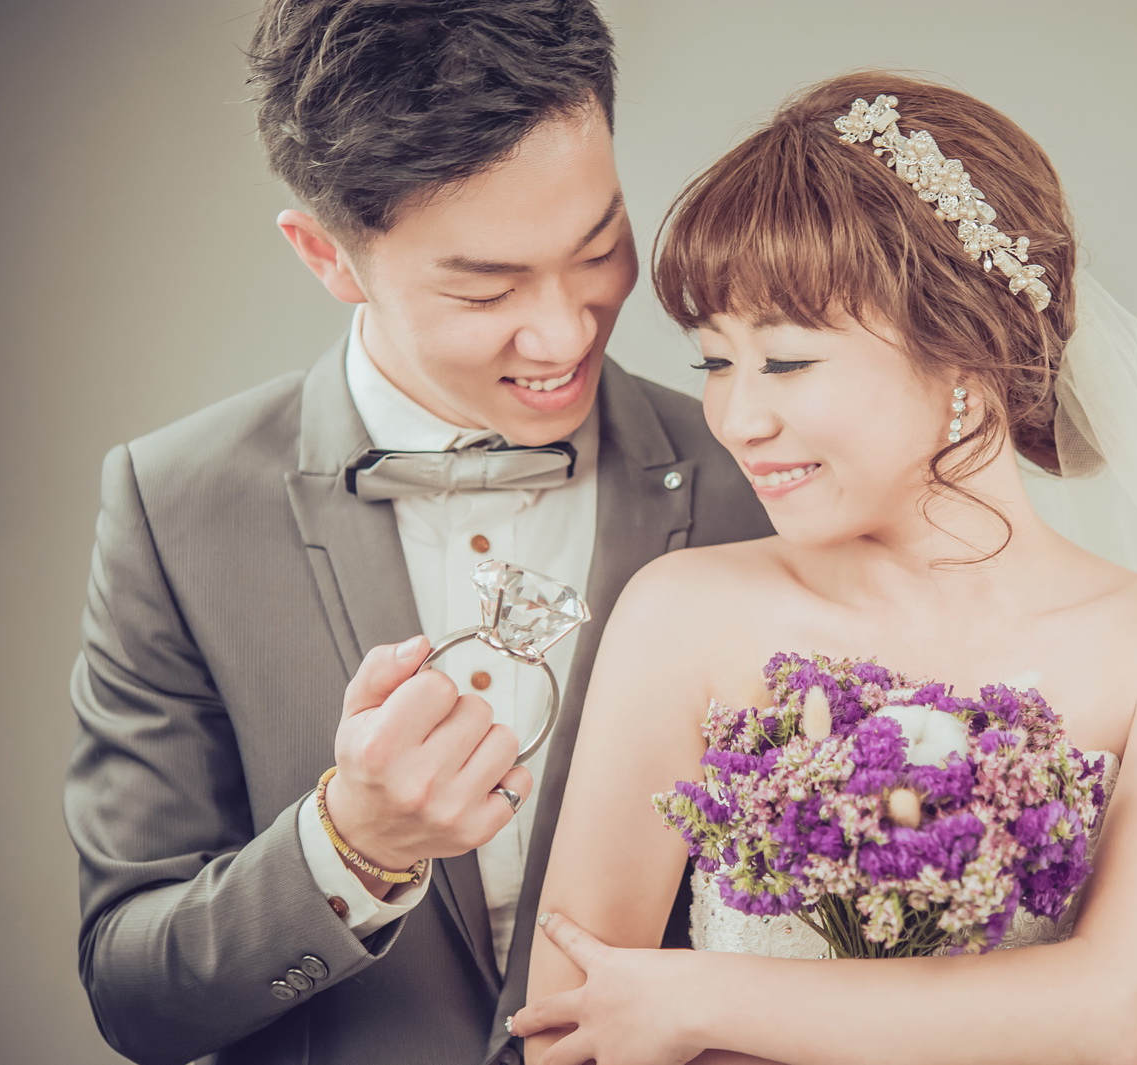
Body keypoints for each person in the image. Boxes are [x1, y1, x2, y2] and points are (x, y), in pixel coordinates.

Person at [513, 73, 1137, 1064]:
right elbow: (569, 1025)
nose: (737, 419)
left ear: (965, 354)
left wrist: (700, 997)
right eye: (715, 362)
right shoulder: (684, 613)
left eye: (785, 361)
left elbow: (1112, 1011)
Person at [62, 2, 769, 1064]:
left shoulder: (756, 477)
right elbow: (136, 997)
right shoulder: (174, 507)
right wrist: (351, 843)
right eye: (485, 288)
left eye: (599, 248)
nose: (564, 332)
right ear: (326, 256)